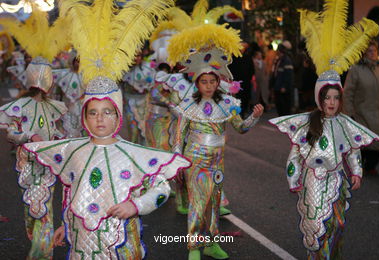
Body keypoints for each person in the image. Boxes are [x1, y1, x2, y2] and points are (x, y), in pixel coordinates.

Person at [18, 0, 190, 259]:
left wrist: (136, 205)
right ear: (84, 116)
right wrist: (66, 226)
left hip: (121, 244)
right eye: (93, 112)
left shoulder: (133, 153)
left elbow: (162, 188)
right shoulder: (74, 149)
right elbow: (71, 192)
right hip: (80, 243)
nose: (100, 119)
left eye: (107, 112)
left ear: (118, 115)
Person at [270, 1, 379, 258]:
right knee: (316, 226)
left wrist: (356, 171)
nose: (331, 102)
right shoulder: (308, 122)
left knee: (337, 225)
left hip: (338, 180)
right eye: (327, 97)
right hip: (314, 180)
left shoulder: (344, 122)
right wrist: (293, 178)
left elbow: (352, 149)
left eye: (335, 98)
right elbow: (296, 154)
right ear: (320, 98)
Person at [167, 16, 264, 259]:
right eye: (204, 82)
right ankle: (194, 247)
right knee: (198, 205)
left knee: (213, 204)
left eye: (212, 81)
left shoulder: (228, 104)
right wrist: (177, 159)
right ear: (197, 83)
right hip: (195, 160)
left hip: (217, 162)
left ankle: (211, 244)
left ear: (217, 82)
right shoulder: (188, 104)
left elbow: (240, 128)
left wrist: (254, 117)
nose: (209, 85)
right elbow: (179, 133)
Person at [0, 7, 69, 259]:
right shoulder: (18, 106)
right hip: (28, 163)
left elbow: (59, 130)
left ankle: (42, 251)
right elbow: (12, 132)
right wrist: (29, 137)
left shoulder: (56, 107)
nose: (47, 79)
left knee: (44, 207)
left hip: (48, 164)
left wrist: (62, 142)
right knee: (33, 208)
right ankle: (37, 237)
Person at [343, 40, 379, 175]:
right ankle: (359, 164)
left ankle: (371, 166)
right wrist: (349, 112)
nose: (373, 53)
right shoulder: (356, 69)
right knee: (363, 142)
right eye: (369, 51)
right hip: (361, 112)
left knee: (377, 142)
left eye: (375, 51)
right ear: (364, 53)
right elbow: (348, 92)